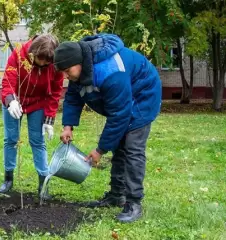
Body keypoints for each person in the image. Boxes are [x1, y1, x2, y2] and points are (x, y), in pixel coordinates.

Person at [54, 33, 161, 223]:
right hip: (124, 98)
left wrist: (100, 150)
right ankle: (116, 195)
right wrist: (67, 126)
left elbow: (119, 116)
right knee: (120, 145)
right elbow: (72, 97)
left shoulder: (111, 72)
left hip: (143, 96)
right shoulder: (78, 69)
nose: (65, 76)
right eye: (62, 72)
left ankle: (134, 202)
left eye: (67, 70)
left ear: (79, 62)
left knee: (132, 149)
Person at [0, 34, 64, 199]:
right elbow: (8, 80)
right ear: (33, 52)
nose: (42, 64)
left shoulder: (56, 63)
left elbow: (55, 93)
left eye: (46, 62)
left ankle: (43, 183)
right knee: (11, 139)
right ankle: (8, 179)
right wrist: (10, 100)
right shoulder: (19, 53)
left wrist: (49, 120)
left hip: (38, 103)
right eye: (39, 59)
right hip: (16, 101)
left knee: (38, 140)